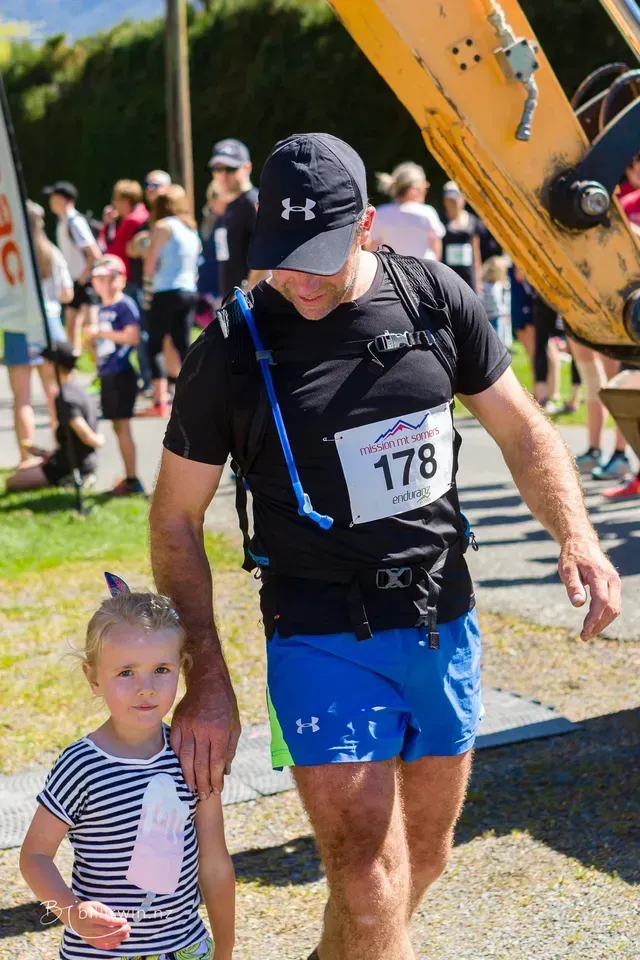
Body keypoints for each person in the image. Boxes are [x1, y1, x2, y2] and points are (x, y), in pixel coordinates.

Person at [149, 133, 620, 960]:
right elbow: (174, 521)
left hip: (441, 619)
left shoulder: (433, 297)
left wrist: (576, 534)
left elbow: (520, 427)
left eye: (318, 259)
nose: (298, 280)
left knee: (421, 862)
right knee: (367, 879)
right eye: (281, 258)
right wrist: (208, 678)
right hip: (317, 631)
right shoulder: (229, 350)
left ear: (366, 225)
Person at [19, 579, 235, 960]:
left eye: (161, 669)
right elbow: (34, 857)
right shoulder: (81, 766)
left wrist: (225, 948)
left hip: (186, 949)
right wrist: (72, 913)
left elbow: (215, 863)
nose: (146, 688)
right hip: (100, 953)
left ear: (181, 669)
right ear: (93, 678)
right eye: (126, 673)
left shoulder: (191, 754)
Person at [3, 200, 73, 464]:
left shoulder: (9, 254)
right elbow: (67, 293)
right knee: (54, 394)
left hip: (18, 326)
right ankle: (61, 451)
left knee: (22, 399)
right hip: (49, 324)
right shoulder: (51, 252)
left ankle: (26, 458)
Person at [5, 341, 101, 493]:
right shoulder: (76, 389)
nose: (41, 366)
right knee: (24, 468)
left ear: (52, 365)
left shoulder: (65, 397)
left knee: (11, 482)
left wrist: (98, 441)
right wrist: (44, 453)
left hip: (72, 464)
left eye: (44, 362)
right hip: (74, 458)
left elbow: (84, 433)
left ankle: (73, 479)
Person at [140, 186, 201, 418]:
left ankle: (159, 401)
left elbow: (149, 266)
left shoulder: (162, 227)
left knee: (155, 345)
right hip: (188, 290)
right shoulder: (190, 228)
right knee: (183, 344)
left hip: (165, 290)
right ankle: (193, 395)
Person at [85, 255, 144, 496]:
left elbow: (133, 336)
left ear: (120, 279)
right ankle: (128, 477)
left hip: (122, 373)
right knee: (118, 428)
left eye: (109, 279)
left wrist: (100, 334)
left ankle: (132, 479)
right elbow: (96, 348)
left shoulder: (125, 305)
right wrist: (90, 341)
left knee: (123, 427)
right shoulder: (100, 308)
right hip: (107, 373)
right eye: (99, 279)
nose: (103, 284)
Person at [43, 181, 102, 356]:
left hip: (84, 282)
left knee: (91, 330)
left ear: (65, 199)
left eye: (54, 197)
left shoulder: (75, 222)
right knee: (71, 327)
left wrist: (83, 279)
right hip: (74, 281)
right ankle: (73, 365)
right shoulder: (62, 223)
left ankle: (102, 366)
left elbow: (94, 253)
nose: (51, 201)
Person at [208, 138, 266, 298]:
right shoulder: (228, 205)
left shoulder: (253, 203)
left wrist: (246, 292)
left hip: (249, 299)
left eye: (231, 169)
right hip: (229, 296)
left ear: (247, 168)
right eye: (217, 169)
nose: (223, 175)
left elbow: (266, 253)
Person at [365, 161, 445, 260]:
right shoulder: (427, 213)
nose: (426, 189)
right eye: (424, 186)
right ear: (414, 189)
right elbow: (436, 249)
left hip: (392, 268)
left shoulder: (381, 213)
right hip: (423, 268)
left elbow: (372, 248)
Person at [441, 181, 482, 292]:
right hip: (447, 275)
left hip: (468, 276)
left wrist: (478, 280)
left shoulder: (472, 221)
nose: (453, 203)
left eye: (455, 199)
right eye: (450, 200)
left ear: (463, 199)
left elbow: (476, 252)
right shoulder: (440, 221)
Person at [481, 255, 510, 345]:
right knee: (498, 342)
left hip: (487, 316)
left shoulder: (482, 285)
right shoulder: (502, 286)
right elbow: (505, 303)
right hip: (497, 316)